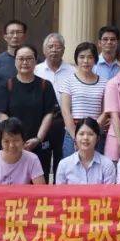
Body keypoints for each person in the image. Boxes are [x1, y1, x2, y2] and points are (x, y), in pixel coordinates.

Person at [0, 45, 57, 176]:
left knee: (38, 182)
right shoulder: (6, 85)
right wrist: (15, 140)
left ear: (35, 61)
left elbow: (49, 114)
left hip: (38, 144)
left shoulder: (45, 85)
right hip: (12, 146)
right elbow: (1, 113)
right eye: (21, 59)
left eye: (29, 59)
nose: (25, 62)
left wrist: (38, 139)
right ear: (15, 61)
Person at [35, 33, 75, 175]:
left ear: (63, 49)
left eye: (58, 47)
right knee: (41, 160)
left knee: (63, 159)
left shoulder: (73, 71)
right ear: (44, 50)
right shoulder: (36, 70)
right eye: (50, 46)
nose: (54, 50)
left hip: (64, 120)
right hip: (42, 121)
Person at [59, 42, 107, 158]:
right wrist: (76, 137)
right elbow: (65, 111)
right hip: (72, 133)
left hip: (95, 134)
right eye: (82, 57)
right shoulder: (68, 81)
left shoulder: (104, 82)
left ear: (95, 60)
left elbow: (105, 111)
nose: (86, 61)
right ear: (76, 59)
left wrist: (93, 130)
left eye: (90, 57)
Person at [0, 118, 46, 185]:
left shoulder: (32, 159)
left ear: (23, 140)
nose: (12, 145)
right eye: (6, 141)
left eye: (16, 140)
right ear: (0, 142)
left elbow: (40, 188)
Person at [54, 118, 117, 184]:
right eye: (81, 134)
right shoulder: (64, 165)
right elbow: (60, 190)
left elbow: (109, 190)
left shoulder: (107, 165)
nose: (85, 138)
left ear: (97, 138)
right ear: (75, 138)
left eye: (90, 134)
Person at [0, 20, 29, 117]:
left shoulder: (36, 62)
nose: (15, 36)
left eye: (19, 32)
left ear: (24, 36)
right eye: (11, 32)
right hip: (3, 115)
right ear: (5, 36)